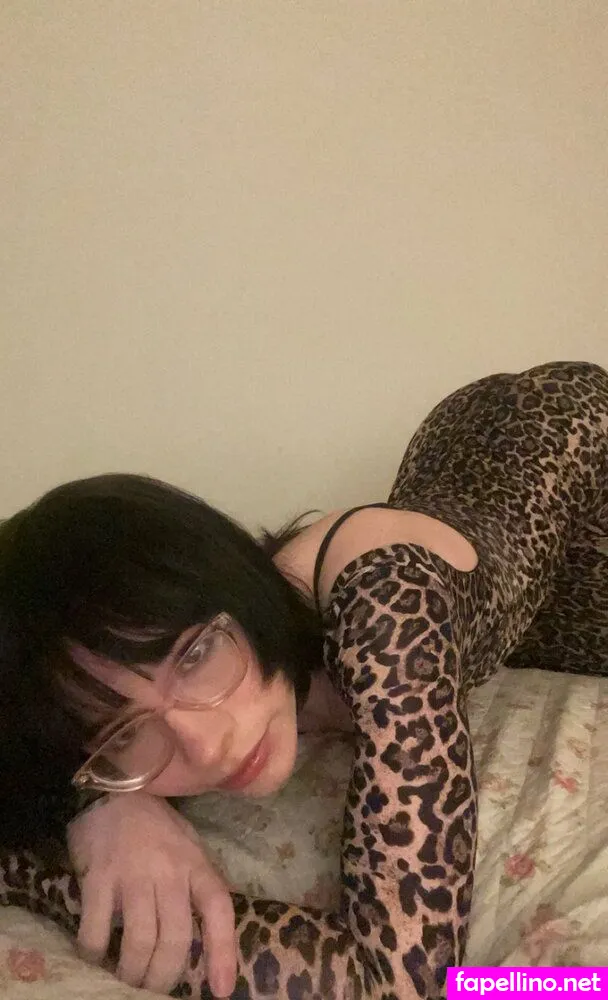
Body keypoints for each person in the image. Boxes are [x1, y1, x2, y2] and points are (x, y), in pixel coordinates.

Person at [1, 360, 607, 1000]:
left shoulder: (386, 606)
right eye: (124, 732)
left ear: (235, 586)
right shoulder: (146, 732)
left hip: (567, 443)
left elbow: (402, 983)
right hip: (466, 490)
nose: (205, 747)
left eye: (194, 656)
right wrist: (103, 806)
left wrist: (34, 877)